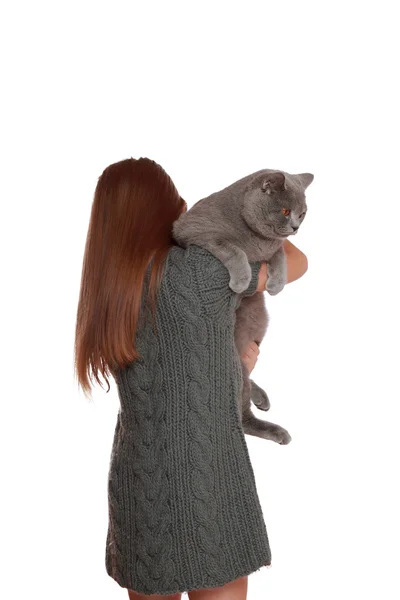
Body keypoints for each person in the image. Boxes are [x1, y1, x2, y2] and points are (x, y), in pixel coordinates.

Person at [74, 157, 308, 600]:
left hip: (137, 479)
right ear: (164, 205)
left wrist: (226, 363)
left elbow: (168, 366)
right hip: (207, 472)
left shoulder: (106, 291)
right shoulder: (200, 271)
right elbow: (297, 260)